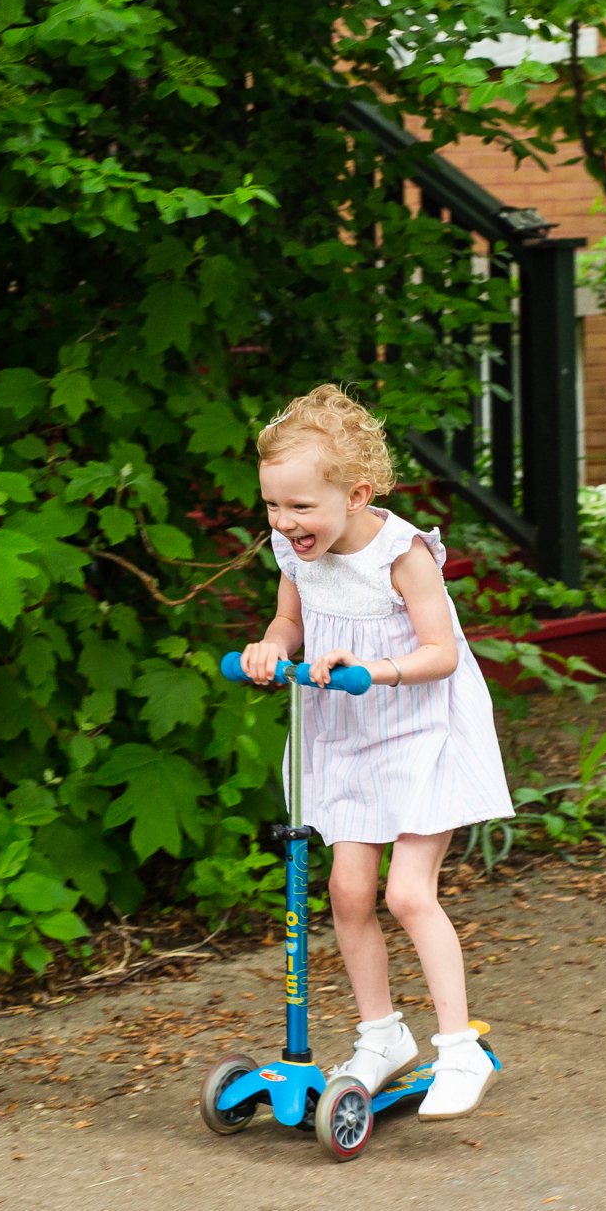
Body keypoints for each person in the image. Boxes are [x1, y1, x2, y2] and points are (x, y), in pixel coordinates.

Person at [236, 383, 515, 1119]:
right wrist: (273, 645)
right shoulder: (294, 552)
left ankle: (457, 1048)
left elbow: (440, 653)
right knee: (348, 892)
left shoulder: (403, 553)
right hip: (350, 737)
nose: (285, 523)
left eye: (301, 507)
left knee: (406, 893)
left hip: (423, 731)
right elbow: (289, 617)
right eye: (273, 506)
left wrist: (372, 670)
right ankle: (382, 1035)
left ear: (357, 494)